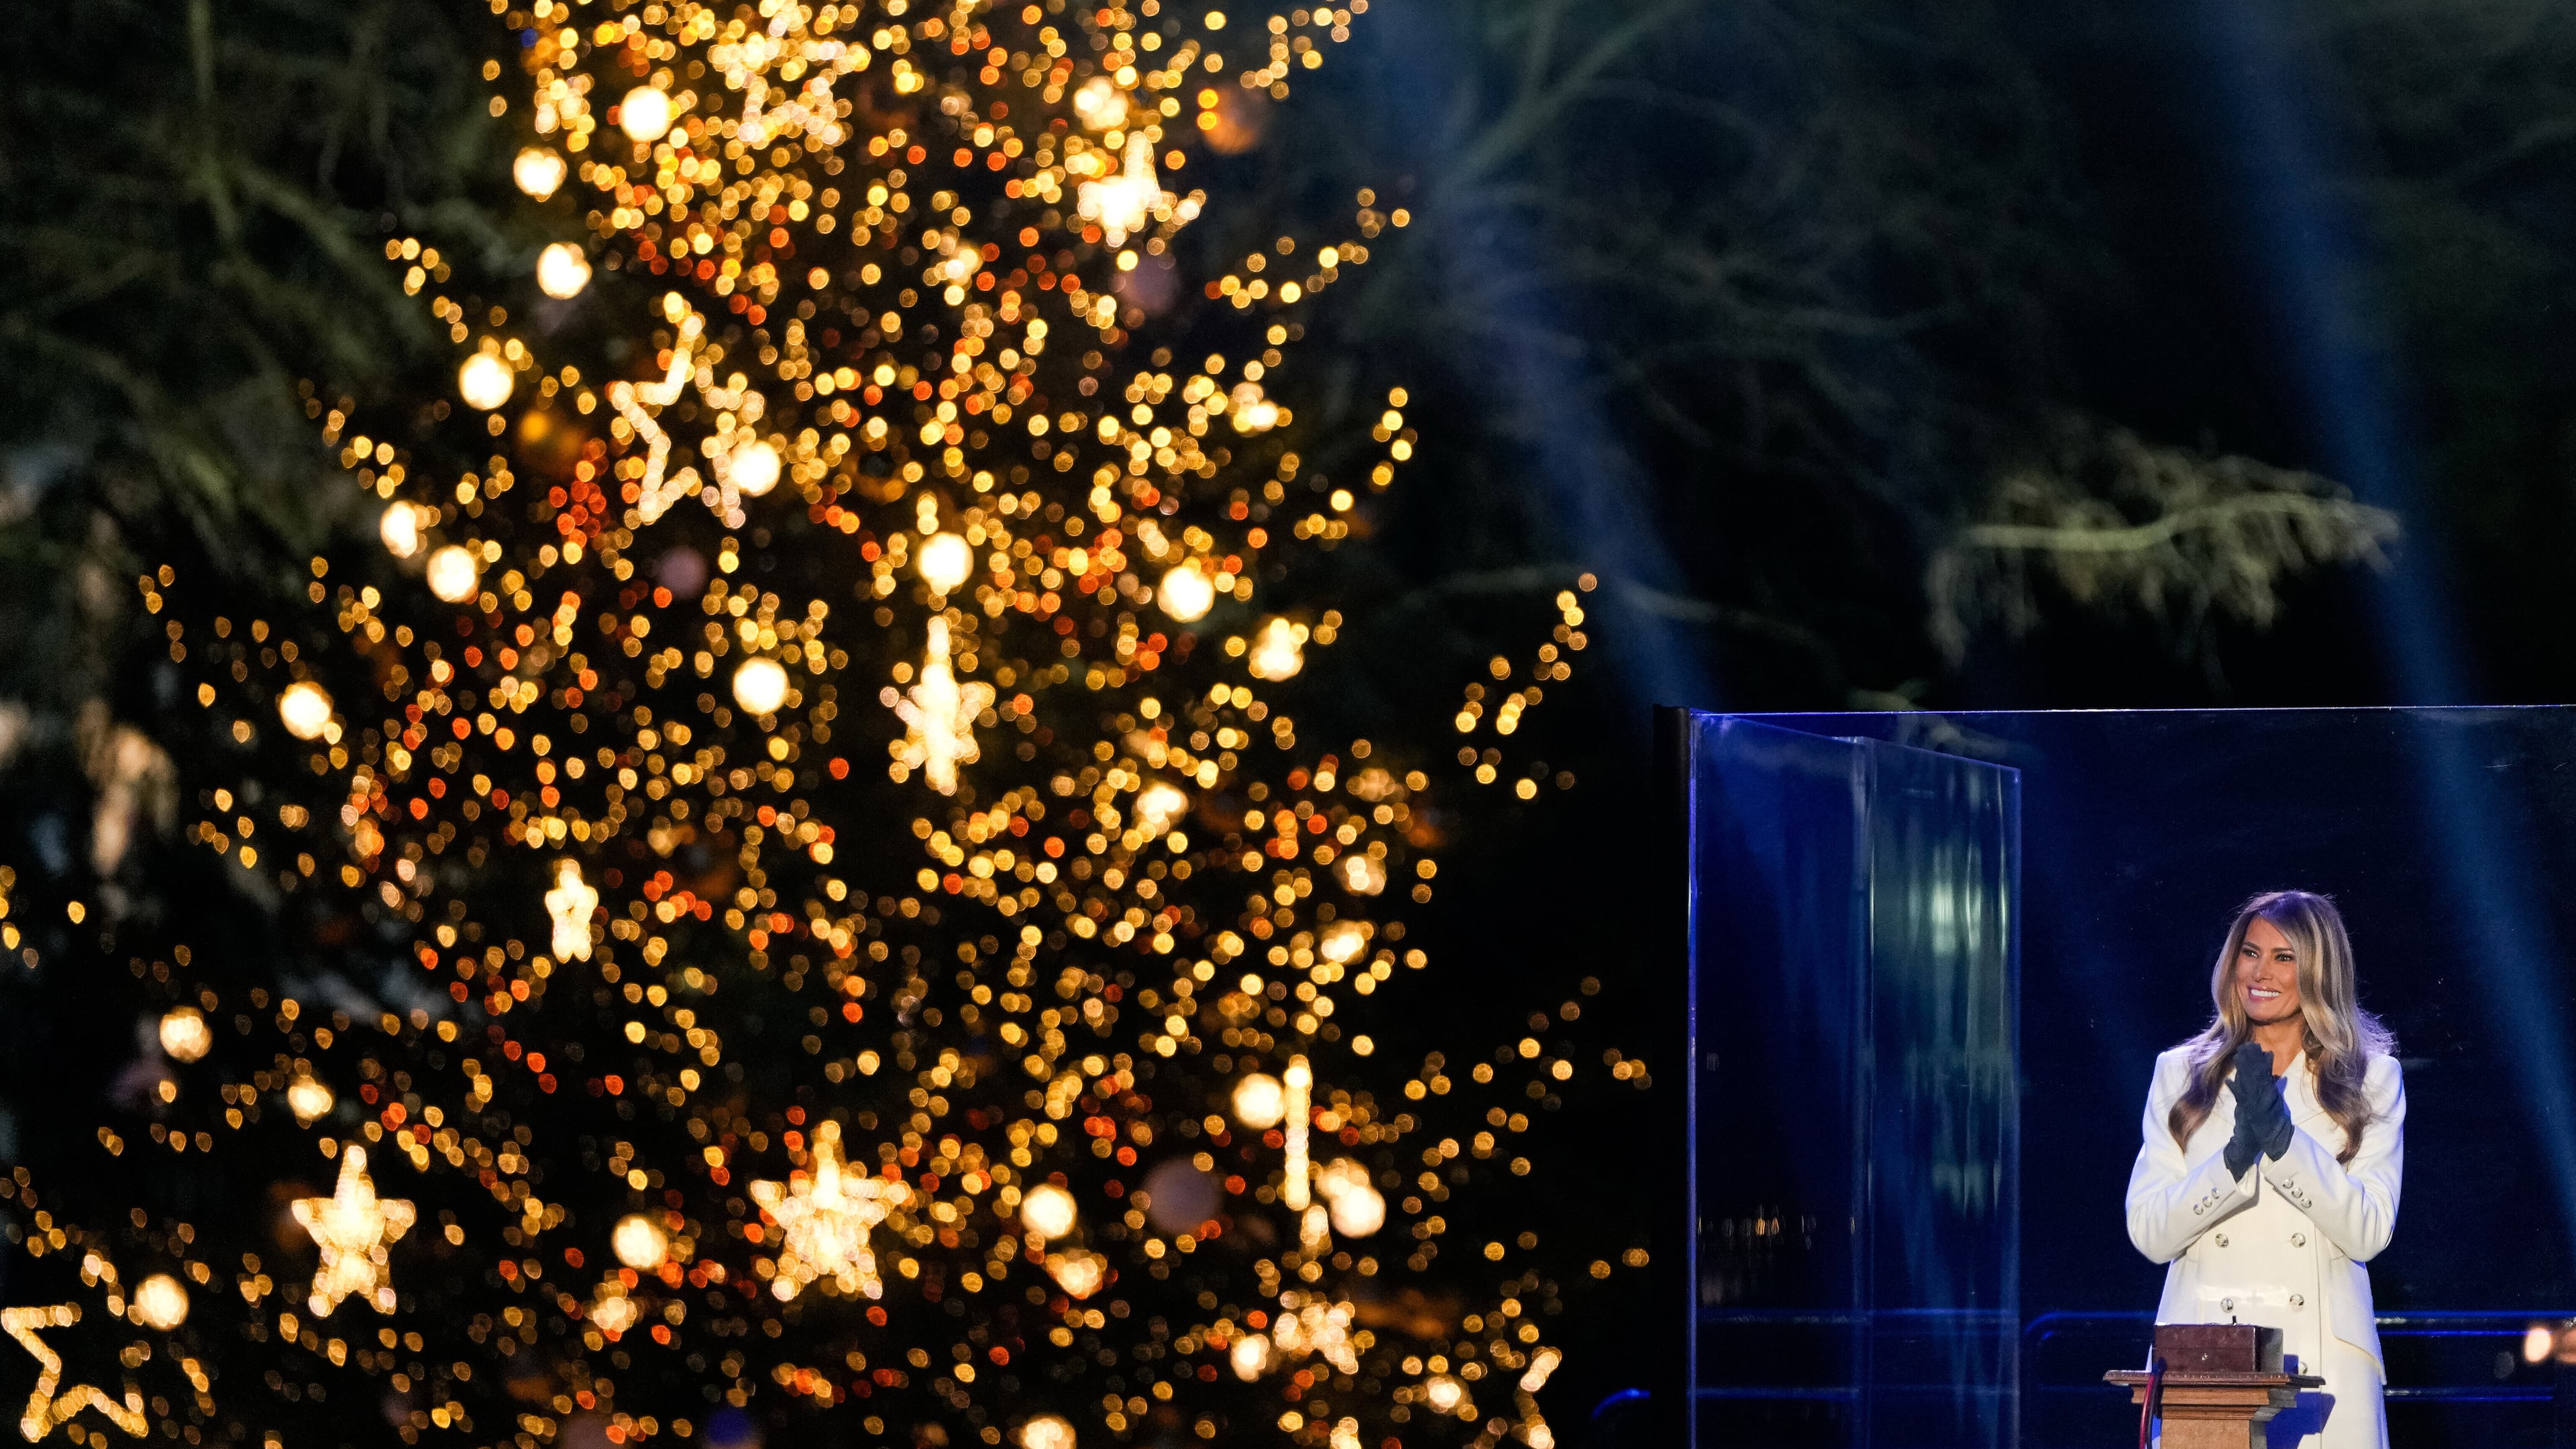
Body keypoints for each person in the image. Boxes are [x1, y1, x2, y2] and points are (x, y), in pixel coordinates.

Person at [2125, 891, 2405, 1448]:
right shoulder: (2179, 1075)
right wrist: (2231, 1163)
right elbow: (2150, 1234)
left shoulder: (2372, 1078)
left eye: (2285, 958)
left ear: (2319, 971)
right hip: (2204, 1368)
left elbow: (2369, 1233)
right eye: (2250, 953)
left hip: (2323, 1371)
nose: (2261, 972)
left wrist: (2282, 1142)